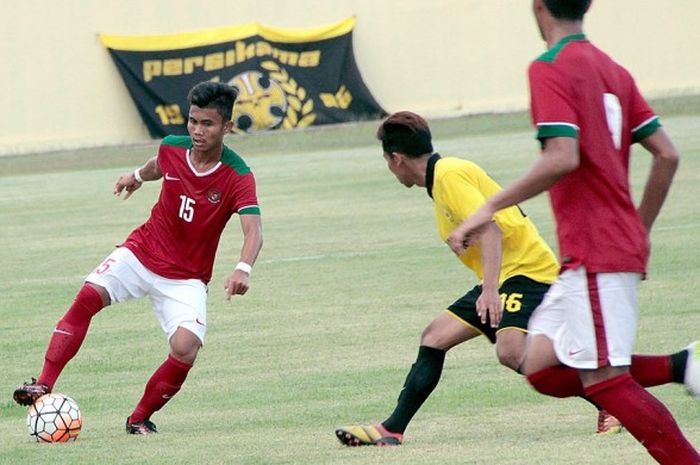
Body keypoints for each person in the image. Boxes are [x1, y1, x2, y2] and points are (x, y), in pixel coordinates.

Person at [335, 111, 686, 447]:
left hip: (525, 272)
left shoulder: (448, 175)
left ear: (396, 158)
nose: (390, 169)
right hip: (505, 273)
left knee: (513, 352)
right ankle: (392, 430)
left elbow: (492, 230)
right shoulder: (442, 178)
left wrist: (489, 292)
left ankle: (612, 400)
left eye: (386, 161)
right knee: (435, 336)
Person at [447, 1, 699, 463]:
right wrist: (637, 229)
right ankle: (686, 366)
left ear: (538, 6)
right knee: (540, 367)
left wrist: (488, 207)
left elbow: (562, 156)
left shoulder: (551, 66)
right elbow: (667, 154)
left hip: (598, 250)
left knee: (606, 381)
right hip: (593, 254)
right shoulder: (611, 67)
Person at [13, 81, 263, 435]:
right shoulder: (172, 148)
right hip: (142, 251)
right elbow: (155, 165)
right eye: (193, 121)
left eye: (207, 124)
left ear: (227, 127)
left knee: (186, 346)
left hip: (187, 277)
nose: (197, 131)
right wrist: (135, 177)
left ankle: (139, 418)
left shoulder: (238, 175)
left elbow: (254, 229)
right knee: (88, 295)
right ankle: (43, 383)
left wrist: (243, 268)